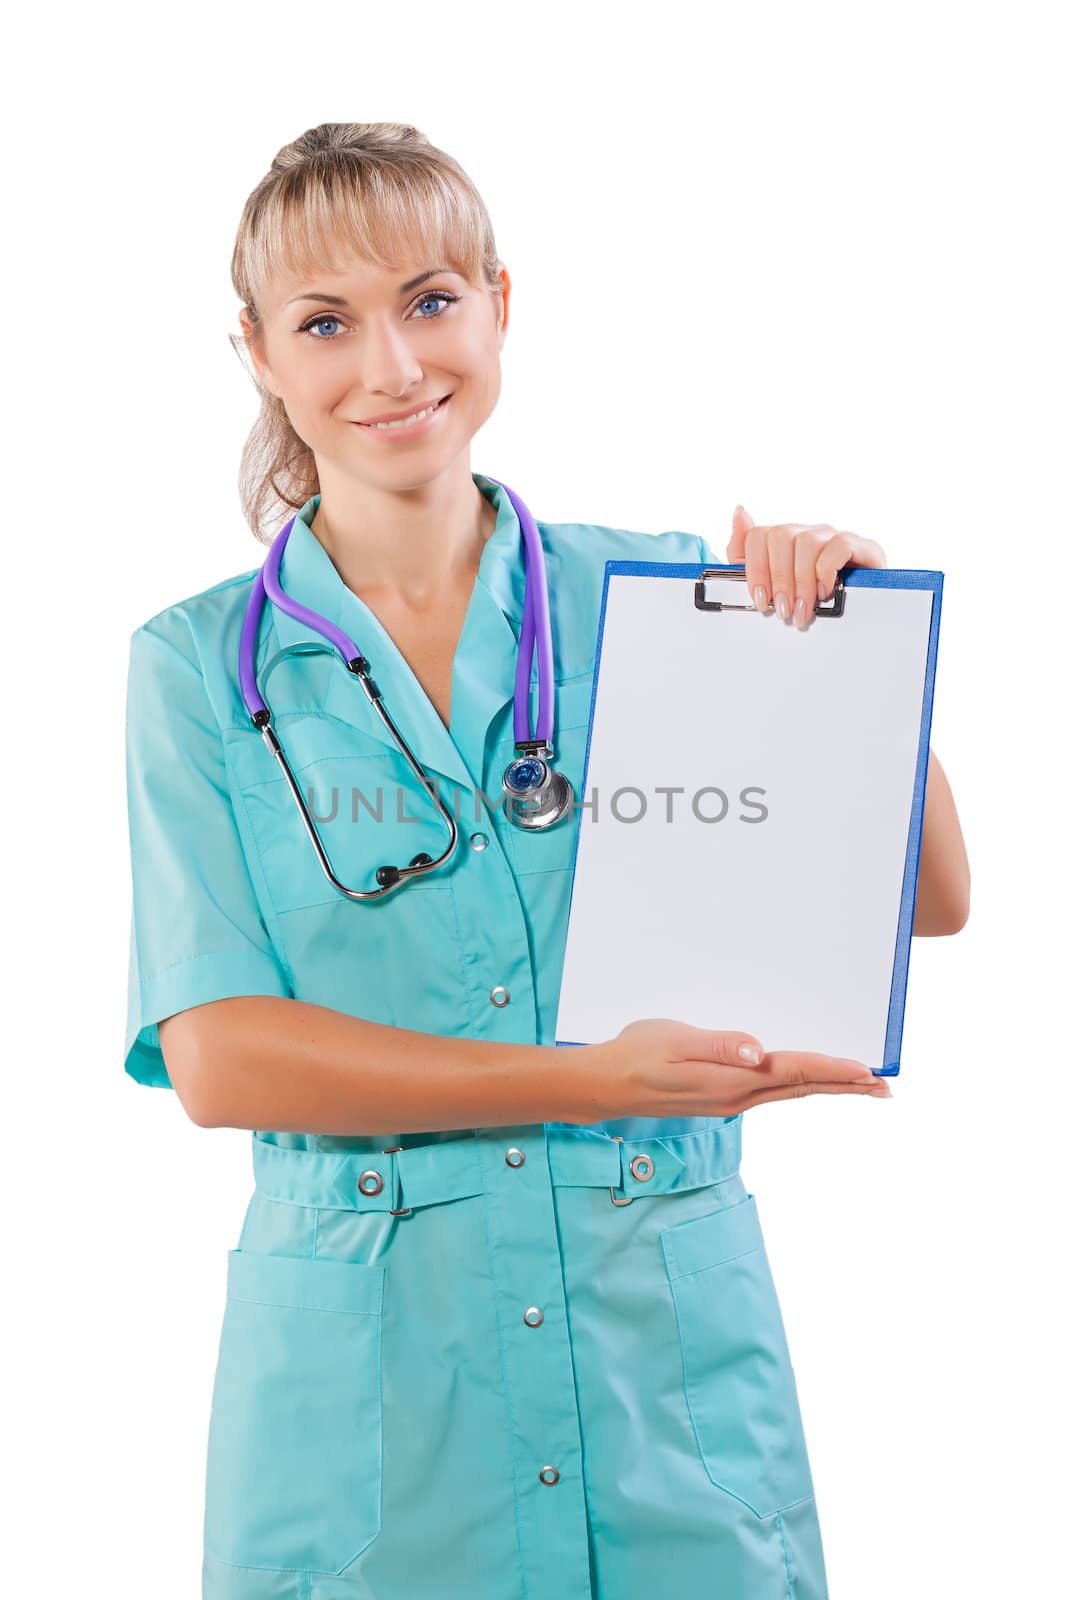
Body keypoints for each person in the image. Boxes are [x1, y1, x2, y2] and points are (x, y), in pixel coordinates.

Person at [123, 121, 970, 1600]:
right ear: (258, 351)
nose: (391, 367)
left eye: (431, 301)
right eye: (328, 323)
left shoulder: (662, 600)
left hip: (666, 1369)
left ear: (502, 305)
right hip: (376, 1385)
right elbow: (220, 1059)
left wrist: (855, 644)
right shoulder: (201, 667)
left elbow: (933, 902)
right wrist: (592, 1082)